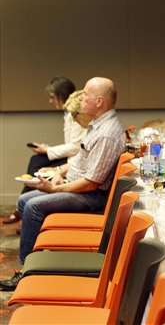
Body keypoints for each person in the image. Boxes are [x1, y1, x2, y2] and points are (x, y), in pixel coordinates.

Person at [0, 77, 125, 291]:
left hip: (91, 197)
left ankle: (27, 272)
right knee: (24, 200)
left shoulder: (107, 134)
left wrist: (56, 189)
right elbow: (79, 160)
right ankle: (38, 260)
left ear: (99, 102)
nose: (80, 97)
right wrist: (58, 172)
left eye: (85, 94)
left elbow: (91, 183)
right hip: (79, 186)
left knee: (33, 206)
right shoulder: (96, 125)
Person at [2, 76, 86, 224]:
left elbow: (75, 147)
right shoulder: (69, 114)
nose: (50, 101)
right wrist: (48, 150)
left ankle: (23, 210)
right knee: (36, 160)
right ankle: (23, 209)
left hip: (75, 163)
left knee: (37, 164)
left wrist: (55, 164)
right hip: (73, 160)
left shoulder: (77, 116)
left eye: (53, 97)